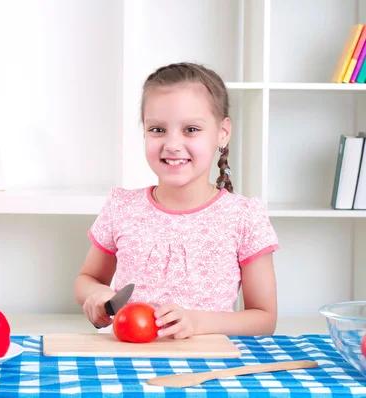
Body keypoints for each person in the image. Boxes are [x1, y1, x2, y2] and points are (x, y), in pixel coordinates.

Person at [73, 62, 279, 339]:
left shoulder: (244, 216)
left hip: (205, 363)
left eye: (191, 129)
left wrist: (198, 323)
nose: (172, 144)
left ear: (223, 132)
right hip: (125, 357)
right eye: (157, 129)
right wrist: (97, 294)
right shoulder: (121, 207)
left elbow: (264, 319)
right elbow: (86, 280)